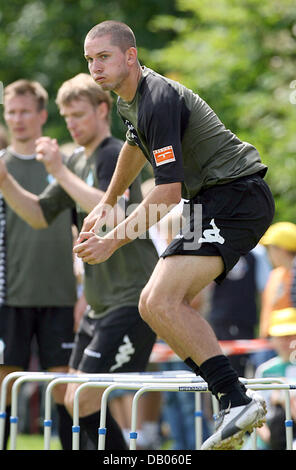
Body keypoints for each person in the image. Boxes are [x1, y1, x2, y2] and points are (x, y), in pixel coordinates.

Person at [74, 20, 275, 450]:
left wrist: (113, 240)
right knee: (152, 304)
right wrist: (108, 203)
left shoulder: (158, 98)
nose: (95, 67)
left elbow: (165, 194)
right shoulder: (131, 100)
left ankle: (236, 399)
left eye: (103, 56)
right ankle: (235, 399)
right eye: (90, 59)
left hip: (237, 194)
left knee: (161, 299)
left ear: (131, 56)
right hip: (211, 199)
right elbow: (133, 145)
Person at [0, 73, 158, 450]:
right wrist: (4, 180)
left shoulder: (110, 153)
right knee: (73, 399)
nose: (71, 124)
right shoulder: (76, 161)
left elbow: (111, 210)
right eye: (66, 116)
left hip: (131, 297)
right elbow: (39, 213)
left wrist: (57, 171)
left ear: (103, 110)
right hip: (100, 304)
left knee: (84, 399)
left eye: (79, 115)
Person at [0, 80, 77, 449]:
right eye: (11, 112)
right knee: (4, 388)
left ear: (43, 115)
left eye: (25, 111)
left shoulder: (65, 165)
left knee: (63, 388)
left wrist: (83, 291)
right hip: (8, 299)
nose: (18, 119)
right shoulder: (1, 167)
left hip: (60, 297)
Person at [206, 245, 272, 377]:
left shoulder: (257, 253)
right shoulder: (215, 246)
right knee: (214, 368)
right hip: (217, 320)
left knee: (237, 370)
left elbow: (266, 289)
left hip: (242, 320)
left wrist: (265, 326)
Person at [254, 307, 296, 450]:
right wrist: (267, 437)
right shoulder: (265, 370)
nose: (286, 341)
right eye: (280, 336)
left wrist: (283, 398)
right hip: (269, 438)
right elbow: (255, 410)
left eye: (291, 335)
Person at [259, 222, 296, 339]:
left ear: (282, 249)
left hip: (289, 341)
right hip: (271, 341)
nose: (269, 254)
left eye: (270, 249)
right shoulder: (275, 275)